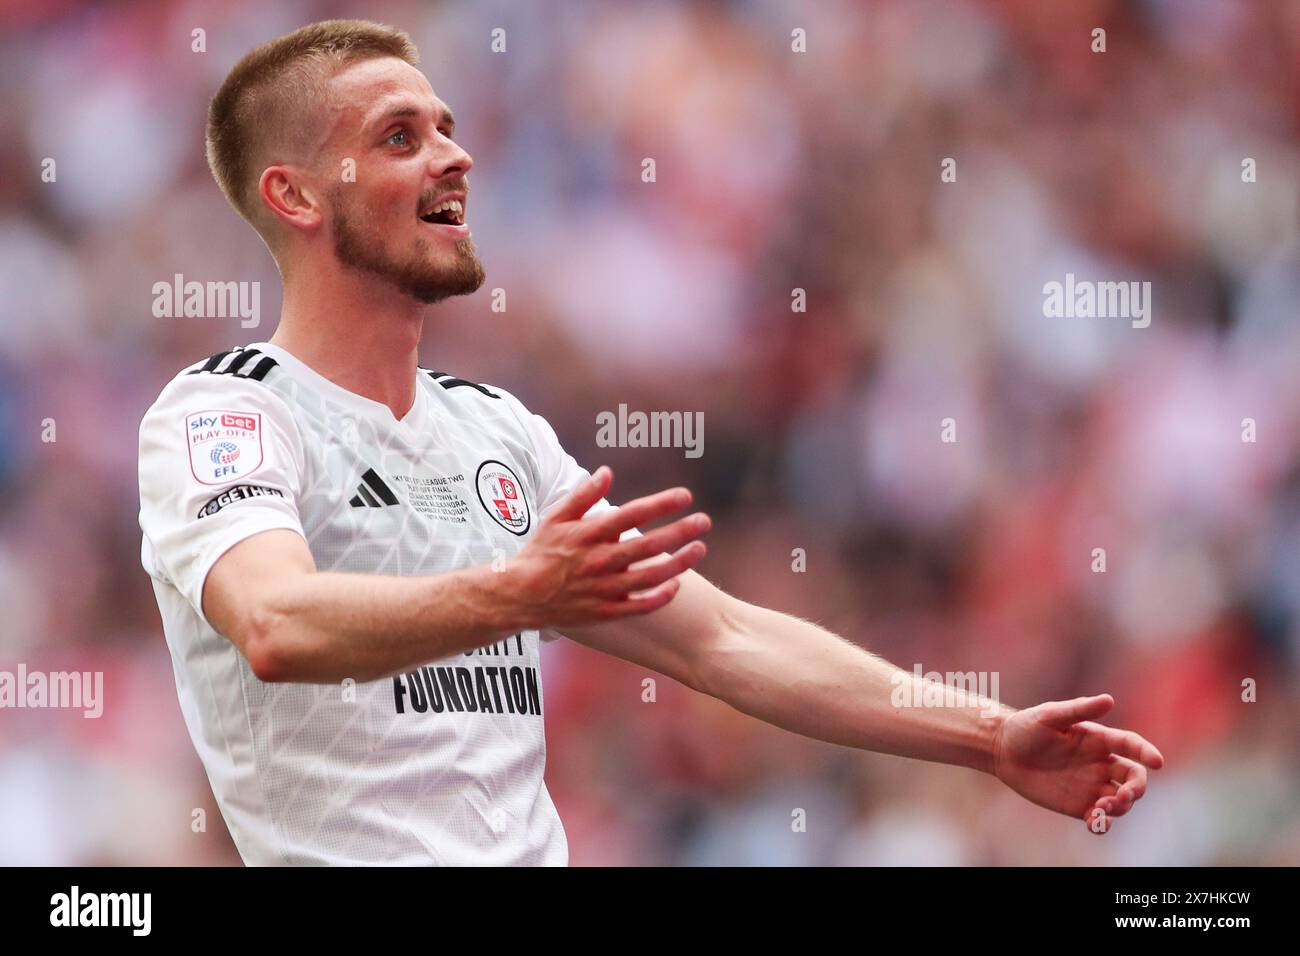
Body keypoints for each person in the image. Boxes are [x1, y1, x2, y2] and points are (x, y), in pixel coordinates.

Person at [137, 19, 1163, 866]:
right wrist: (519, 593)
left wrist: (987, 736)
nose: (454, 154)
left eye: (448, 127)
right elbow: (274, 622)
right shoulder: (225, 413)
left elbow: (723, 638)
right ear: (297, 195)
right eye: (400, 136)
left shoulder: (496, 430)